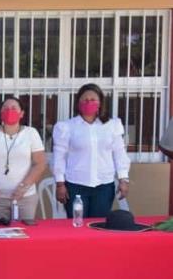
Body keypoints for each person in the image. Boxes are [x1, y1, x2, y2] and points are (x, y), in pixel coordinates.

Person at [52, 83, 131, 219]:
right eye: (85, 100)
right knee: (77, 225)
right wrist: (60, 183)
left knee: (98, 227)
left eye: (93, 99)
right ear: (78, 103)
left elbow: (119, 153)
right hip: (75, 185)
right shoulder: (67, 127)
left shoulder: (111, 125)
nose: (89, 103)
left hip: (104, 186)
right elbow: (59, 156)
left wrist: (123, 179)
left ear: (100, 103)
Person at [0, 97, 47, 222]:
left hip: (24, 197)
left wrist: (24, 186)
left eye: (14, 108)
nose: (9, 111)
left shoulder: (31, 133)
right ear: (0, 112)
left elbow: (40, 163)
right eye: (5, 108)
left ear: (22, 113)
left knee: (23, 236)